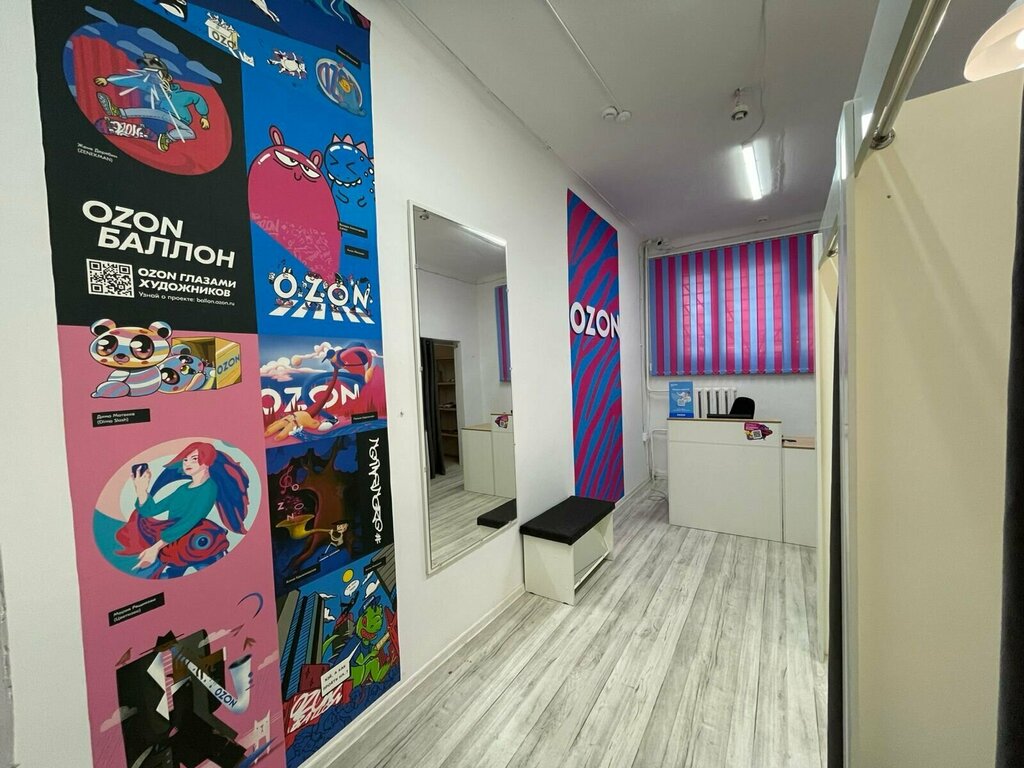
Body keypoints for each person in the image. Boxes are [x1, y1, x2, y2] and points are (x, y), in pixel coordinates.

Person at [115, 441, 250, 578]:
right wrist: (141, 489)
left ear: (207, 461)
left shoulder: (209, 488)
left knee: (216, 577)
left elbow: (189, 521)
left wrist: (156, 547)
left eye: (194, 459)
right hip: (175, 541)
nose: (187, 463)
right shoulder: (183, 489)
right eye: (185, 460)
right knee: (159, 576)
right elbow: (151, 510)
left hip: (197, 541)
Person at [93, 53, 210, 152]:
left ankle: (167, 138)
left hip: (181, 121)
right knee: (151, 112)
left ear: (168, 78)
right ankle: (117, 112)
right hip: (164, 114)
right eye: (152, 77)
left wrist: (204, 116)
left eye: (157, 76)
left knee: (190, 133)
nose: (155, 79)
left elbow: (197, 98)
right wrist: (108, 80)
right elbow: (133, 81)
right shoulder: (156, 89)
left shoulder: (182, 95)